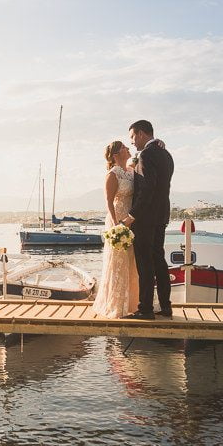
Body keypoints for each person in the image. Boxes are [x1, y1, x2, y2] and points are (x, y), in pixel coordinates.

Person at [120, 120, 174, 320]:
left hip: (146, 217)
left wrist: (132, 215)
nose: (132, 142)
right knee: (159, 260)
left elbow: (147, 188)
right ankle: (166, 307)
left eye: (132, 137)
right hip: (161, 215)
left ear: (141, 134)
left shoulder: (146, 155)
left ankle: (145, 309)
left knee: (145, 263)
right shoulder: (166, 154)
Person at [92, 141, 139, 318]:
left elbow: (138, 157)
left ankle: (132, 304)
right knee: (118, 261)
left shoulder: (130, 171)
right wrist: (116, 225)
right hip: (118, 219)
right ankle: (116, 305)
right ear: (116, 155)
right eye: (124, 148)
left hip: (132, 219)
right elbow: (109, 201)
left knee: (131, 262)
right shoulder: (112, 175)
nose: (128, 149)